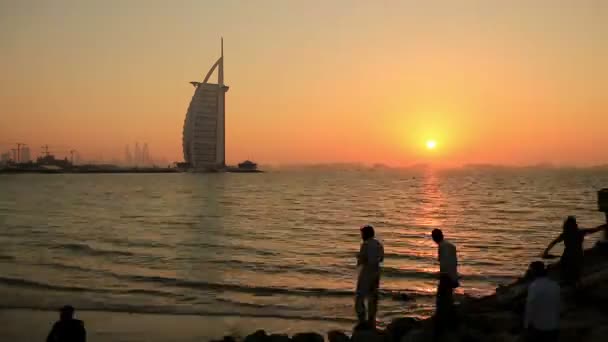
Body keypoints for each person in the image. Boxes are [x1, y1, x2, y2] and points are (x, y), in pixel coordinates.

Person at [542, 216, 607, 286]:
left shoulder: (565, 234)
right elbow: (595, 229)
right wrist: (604, 226)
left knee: (564, 266)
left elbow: (553, 243)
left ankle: (567, 281)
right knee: (576, 269)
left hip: (567, 255)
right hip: (578, 254)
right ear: (575, 224)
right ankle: (576, 282)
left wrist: (546, 252)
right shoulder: (580, 232)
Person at [355, 224, 384, 328]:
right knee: (373, 296)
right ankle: (372, 319)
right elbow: (381, 259)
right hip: (376, 272)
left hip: (367, 272)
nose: (361, 235)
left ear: (366, 234)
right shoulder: (378, 244)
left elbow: (365, 260)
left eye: (362, 233)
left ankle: (362, 319)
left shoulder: (366, 244)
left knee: (360, 296)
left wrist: (359, 257)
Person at [431, 228, 459, 336]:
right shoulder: (450, 246)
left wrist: (445, 277)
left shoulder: (443, 247)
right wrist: (455, 278)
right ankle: (451, 323)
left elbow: (445, 265)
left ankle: (442, 327)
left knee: (441, 301)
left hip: (446, 277)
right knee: (448, 300)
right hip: (450, 275)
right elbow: (454, 263)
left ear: (435, 238)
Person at [524, 261, 560, 342]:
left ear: (534, 272)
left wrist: (526, 326)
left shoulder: (534, 286)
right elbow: (558, 305)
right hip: (554, 327)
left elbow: (529, 308)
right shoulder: (555, 285)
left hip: (540, 328)